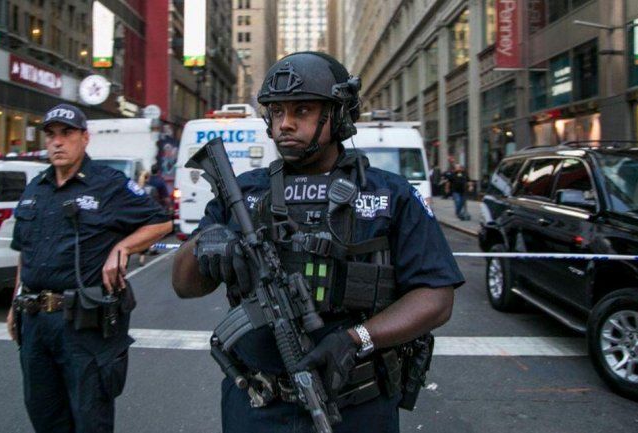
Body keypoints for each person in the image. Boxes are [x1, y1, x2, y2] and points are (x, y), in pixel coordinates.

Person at [171, 52, 464, 433]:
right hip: (256, 407)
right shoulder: (244, 193)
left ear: (338, 116)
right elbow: (184, 284)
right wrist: (209, 243)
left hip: (355, 408)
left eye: (302, 111)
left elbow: (436, 296)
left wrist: (357, 338)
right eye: (276, 112)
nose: (285, 124)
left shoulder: (391, 195)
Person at [5, 103, 172, 433]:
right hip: (35, 322)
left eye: (66, 134)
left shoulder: (108, 185)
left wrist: (121, 247)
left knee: (90, 417)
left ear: (85, 138)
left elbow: (161, 221)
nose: (57, 142)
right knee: (44, 414)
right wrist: (15, 302)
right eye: (51, 135)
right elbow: (24, 252)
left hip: (82, 325)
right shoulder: (34, 188)